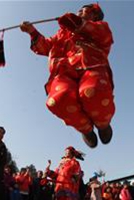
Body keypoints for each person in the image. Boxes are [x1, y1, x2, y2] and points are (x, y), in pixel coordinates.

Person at [20, 3, 115, 148]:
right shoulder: (61, 34)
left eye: (85, 10)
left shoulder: (99, 27)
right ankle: (86, 129)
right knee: (57, 99)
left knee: (92, 91)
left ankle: (103, 124)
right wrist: (32, 31)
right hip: (63, 70)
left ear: (94, 15)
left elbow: (104, 36)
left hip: (91, 65)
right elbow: (45, 47)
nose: (80, 11)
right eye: (79, 10)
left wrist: (76, 23)